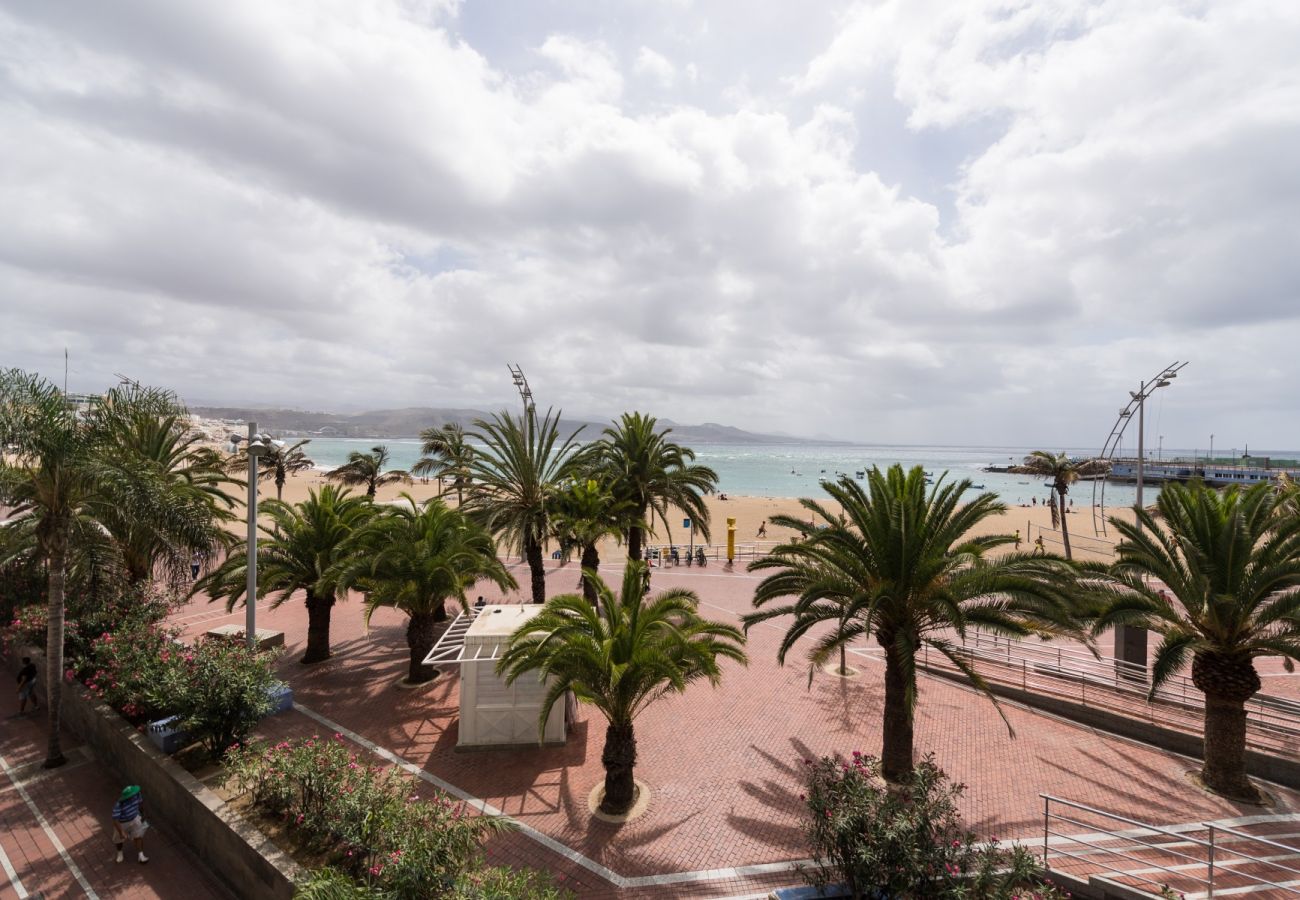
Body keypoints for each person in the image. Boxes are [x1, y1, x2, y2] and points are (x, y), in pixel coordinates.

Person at [111, 785, 149, 864]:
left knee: (138, 836)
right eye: (131, 796)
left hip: (135, 819)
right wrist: (121, 831)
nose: (133, 797)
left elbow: (140, 803)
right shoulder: (119, 805)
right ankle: (120, 852)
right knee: (118, 839)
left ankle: (141, 855)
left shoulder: (137, 795)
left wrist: (143, 814)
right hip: (122, 823)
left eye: (133, 795)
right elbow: (115, 820)